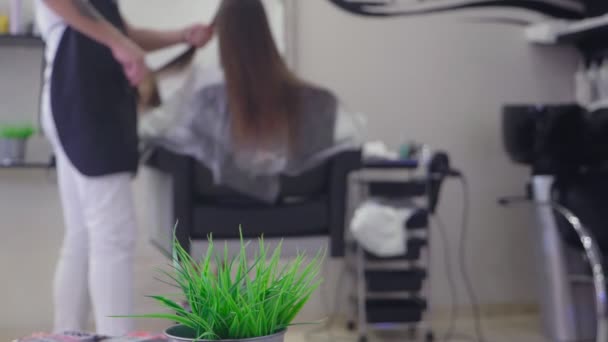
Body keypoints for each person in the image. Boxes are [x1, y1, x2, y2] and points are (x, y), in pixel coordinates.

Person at [34, 0, 213, 336]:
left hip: (76, 99)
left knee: (83, 235)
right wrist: (120, 44)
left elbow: (118, 30)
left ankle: (67, 334)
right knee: (112, 235)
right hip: (85, 100)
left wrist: (181, 36)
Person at [140, 0, 364, 201]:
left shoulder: (205, 104)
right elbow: (347, 146)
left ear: (223, 40)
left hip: (217, 217)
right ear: (265, 31)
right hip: (299, 212)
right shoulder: (320, 103)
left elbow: (157, 137)